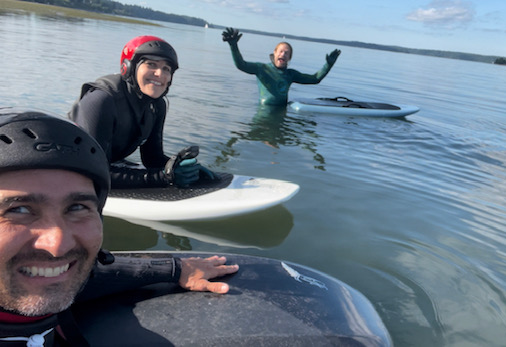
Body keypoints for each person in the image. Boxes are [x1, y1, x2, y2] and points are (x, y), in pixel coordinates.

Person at [0, 108, 239, 346]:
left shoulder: (155, 108)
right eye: (18, 210)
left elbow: (92, 277)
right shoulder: (102, 101)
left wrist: (175, 269)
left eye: (77, 208)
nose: (58, 246)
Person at [69, 35, 214, 189]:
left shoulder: (157, 106)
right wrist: (162, 177)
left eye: (166, 69)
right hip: (67, 171)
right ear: (129, 67)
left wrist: (180, 167)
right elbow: (91, 172)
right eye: (151, 64)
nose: (160, 74)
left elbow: (152, 158)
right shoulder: (100, 101)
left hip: (101, 167)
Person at [222, 27, 341, 106]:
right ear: (274, 53)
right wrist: (233, 46)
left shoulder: (290, 74)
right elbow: (241, 65)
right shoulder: (262, 69)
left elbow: (315, 79)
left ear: (289, 58)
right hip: (263, 114)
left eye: (287, 53)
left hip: (281, 114)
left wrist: (328, 65)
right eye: (281, 51)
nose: (283, 54)